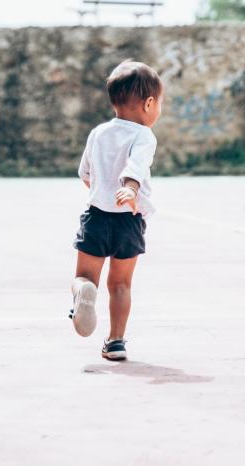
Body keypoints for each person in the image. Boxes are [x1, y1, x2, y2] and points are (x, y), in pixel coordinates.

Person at [68, 60, 163, 361]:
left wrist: (104, 192)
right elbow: (137, 166)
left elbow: (85, 173)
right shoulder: (144, 135)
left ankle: (84, 293)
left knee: (85, 276)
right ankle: (116, 341)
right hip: (129, 221)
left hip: (97, 216)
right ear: (149, 103)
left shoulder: (98, 133)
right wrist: (130, 189)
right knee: (120, 284)